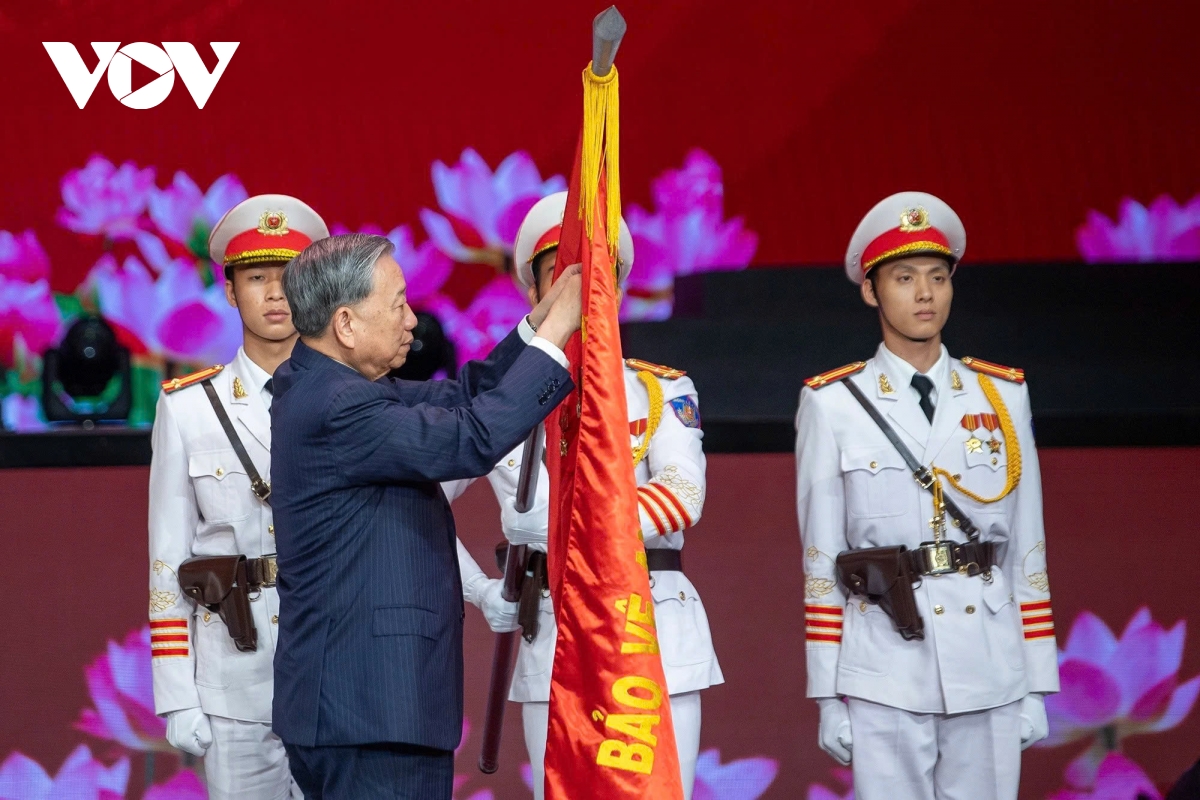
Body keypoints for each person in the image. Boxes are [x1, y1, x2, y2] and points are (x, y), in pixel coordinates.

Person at [270, 233, 581, 798]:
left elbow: (465, 396)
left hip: (361, 712)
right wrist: (561, 334)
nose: (413, 320)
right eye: (398, 304)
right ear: (345, 324)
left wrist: (537, 324)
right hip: (370, 712)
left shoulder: (328, 386)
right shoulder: (340, 405)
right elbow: (473, 437)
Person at [794, 192, 1059, 799]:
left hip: (989, 654)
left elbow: (1028, 546)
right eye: (905, 278)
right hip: (885, 657)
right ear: (871, 291)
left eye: (938, 277)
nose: (925, 294)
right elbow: (820, 558)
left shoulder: (1001, 394)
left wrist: (1039, 680)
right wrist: (828, 693)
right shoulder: (833, 403)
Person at [461, 192, 723, 799]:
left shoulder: (660, 391)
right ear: (533, 293)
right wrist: (480, 590)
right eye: (561, 278)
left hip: (649, 625)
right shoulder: (497, 403)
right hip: (553, 630)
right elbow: (419, 498)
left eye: (595, 278)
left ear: (619, 291)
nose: (580, 294)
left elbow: (683, 496)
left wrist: (563, 524)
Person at [148, 194, 328, 799]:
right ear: (229, 292)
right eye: (256, 278)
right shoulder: (187, 409)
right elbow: (167, 559)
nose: (275, 294)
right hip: (233, 674)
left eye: (289, 278)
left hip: (333, 671)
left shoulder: (350, 397)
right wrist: (177, 694)